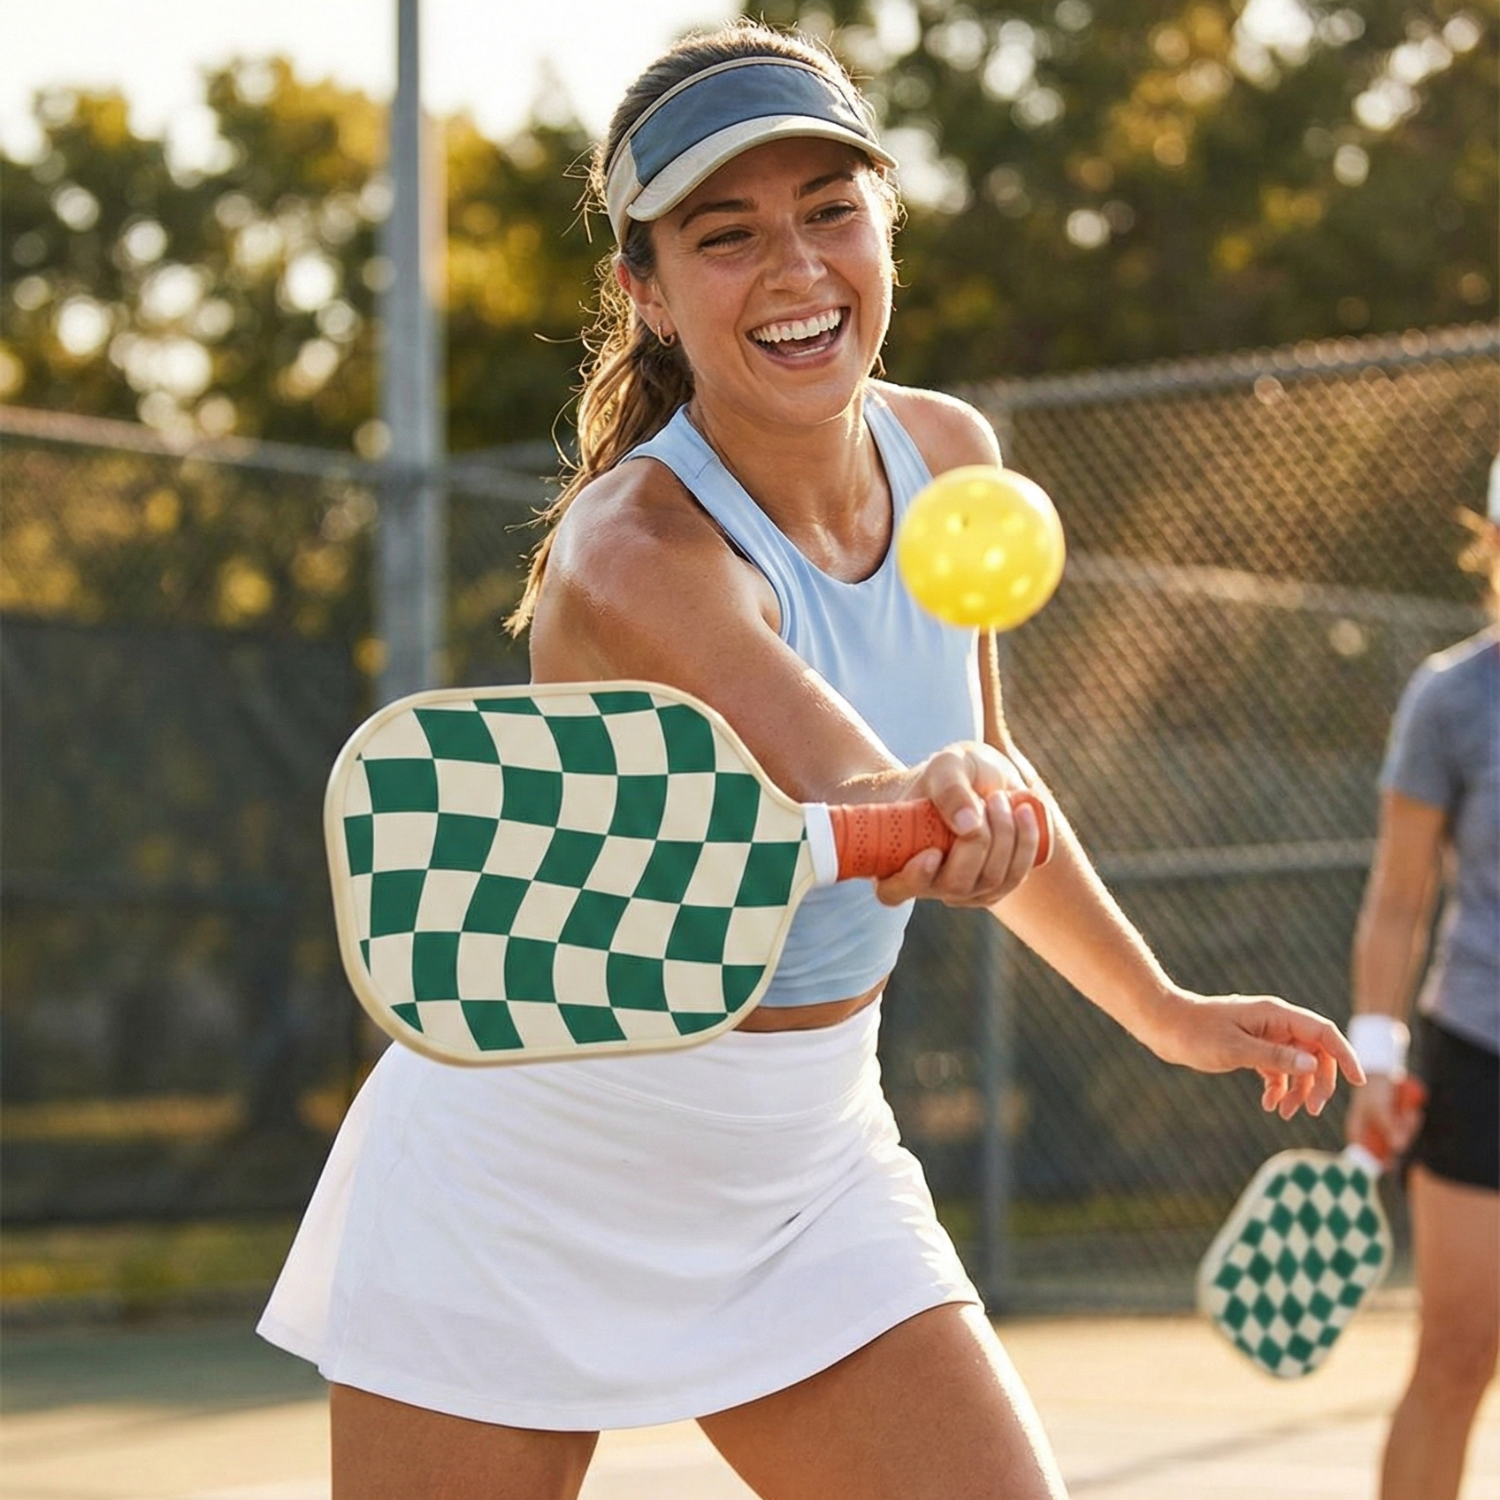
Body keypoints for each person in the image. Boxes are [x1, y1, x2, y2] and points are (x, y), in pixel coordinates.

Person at [258, 23, 1363, 1499]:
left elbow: (987, 766)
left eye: (831, 211)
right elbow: (862, 779)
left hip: (804, 1160)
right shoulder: (632, 551)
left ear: (885, 229)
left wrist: (1163, 1011)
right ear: (646, 290)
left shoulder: (950, 455)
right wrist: (931, 799)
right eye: (726, 235)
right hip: (534, 1166)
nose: (795, 268)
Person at [1345, 455, 1500, 1500]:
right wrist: (1376, 1057)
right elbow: (1399, 898)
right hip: (1480, 1056)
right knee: (1456, 1355)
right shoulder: (1451, 699)